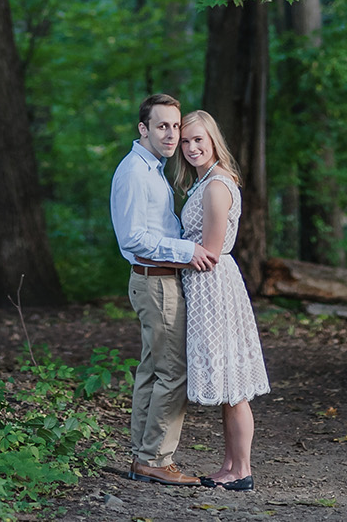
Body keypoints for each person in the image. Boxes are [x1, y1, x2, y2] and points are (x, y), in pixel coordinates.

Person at [110, 93, 219, 486]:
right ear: (144, 129)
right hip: (154, 281)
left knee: (153, 371)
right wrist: (189, 250)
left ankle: (143, 455)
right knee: (174, 372)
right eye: (163, 126)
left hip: (158, 279)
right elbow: (134, 237)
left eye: (175, 126)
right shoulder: (136, 173)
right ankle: (155, 458)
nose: (172, 134)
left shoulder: (153, 169)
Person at [178, 109, 271, 491]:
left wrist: (169, 251)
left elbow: (211, 250)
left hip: (214, 287)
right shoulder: (200, 184)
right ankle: (231, 465)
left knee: (233, 386)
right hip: (205, 287)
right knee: (226, 385)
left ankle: (242, 470)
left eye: (199, 139)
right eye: (185, 141)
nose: (192, 147)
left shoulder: (217, 185)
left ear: (213, 140)